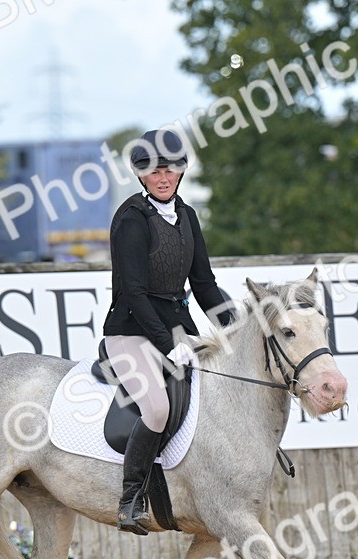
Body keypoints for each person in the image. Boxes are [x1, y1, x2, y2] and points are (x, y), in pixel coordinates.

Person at [102, 129, 235, 536]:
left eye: (170, 170)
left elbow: (205, 285)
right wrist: (167, 344)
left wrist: (236, 329)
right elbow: (135, 293)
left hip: (178, 331)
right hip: (131, 332)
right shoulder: (131, 219)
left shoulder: (188, 216)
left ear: (181, 172)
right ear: (141, 176)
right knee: (157, 409)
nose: (163, 178)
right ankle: (130, 499)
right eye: (154, 172)